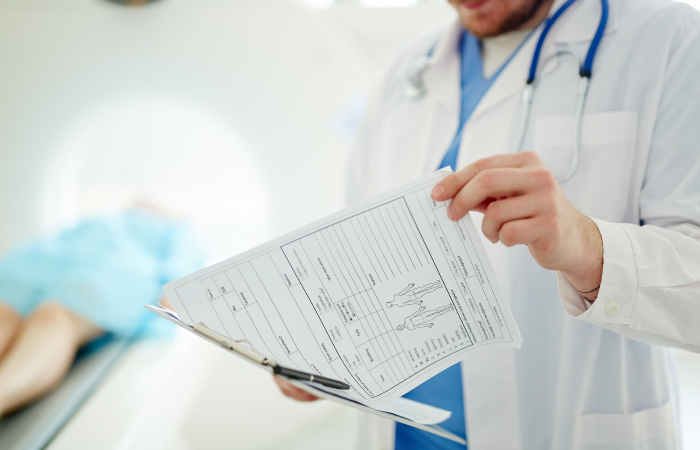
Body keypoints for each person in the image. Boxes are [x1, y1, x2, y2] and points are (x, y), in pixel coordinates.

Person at [274, 0, 700, 448]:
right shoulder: (408, 67)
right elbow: (352, 254)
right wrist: (319, 346)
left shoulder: (669, 37)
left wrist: (586, 246)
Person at [0, 210, 203, 416]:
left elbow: (176, 288)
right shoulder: (98, 220)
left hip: (107, 270)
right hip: (41, 268)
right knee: (5, 314)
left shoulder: (174, 230)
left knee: (54, 315)